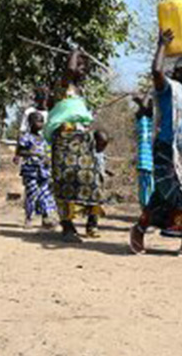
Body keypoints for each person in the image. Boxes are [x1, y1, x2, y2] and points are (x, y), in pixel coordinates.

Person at [130, 29, 182, 257]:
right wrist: (162, 45)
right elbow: (156, 70)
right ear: (177, 71)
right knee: (170, 194)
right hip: (169, 150)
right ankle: (139, 229)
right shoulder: (168, 90)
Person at [45, 49, 103, 243]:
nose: (82, 69)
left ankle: (91, 221)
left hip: (83, 139)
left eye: (85, 66)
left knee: (91, 178)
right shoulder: (62, 85)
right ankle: (68, 226)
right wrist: (76, 52)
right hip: (64, 138)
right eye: (80, 65)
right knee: (64, 181)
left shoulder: (81, 92)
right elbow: (69, 69)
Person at [15, 111, 56, 229]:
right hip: (30, 171)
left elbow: (47, 152)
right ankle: (28, 218)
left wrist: (48, 159)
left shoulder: (44, 139)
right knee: (31, 194)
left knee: (45, 194)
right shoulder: (26, 137)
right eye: (38, 121)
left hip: (44, 171)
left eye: (42, 121)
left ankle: (46, 218)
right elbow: (20, 151)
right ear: (31, 123)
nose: (41, 124)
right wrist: (31, 152)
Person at [133, 93, 155, 209]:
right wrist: (142, 102)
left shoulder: (154, 123)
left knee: (149, 188)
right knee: (146, 188)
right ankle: (147, 211)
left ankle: (149, 211)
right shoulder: (143, 122)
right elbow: (141, 111)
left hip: (152, 162)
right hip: (146, 162)